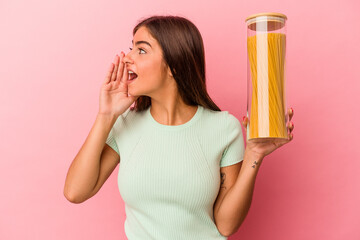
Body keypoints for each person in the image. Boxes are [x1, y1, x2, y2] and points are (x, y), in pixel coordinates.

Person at [63, 15, 294, 239]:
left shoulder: (224, 128)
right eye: (131, 47)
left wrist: (254, 154)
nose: (127, 58)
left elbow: (226, 225)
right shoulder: (125, 124)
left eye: (141, 50)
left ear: (174, 65)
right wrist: (106, 115)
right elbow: (75, 192)